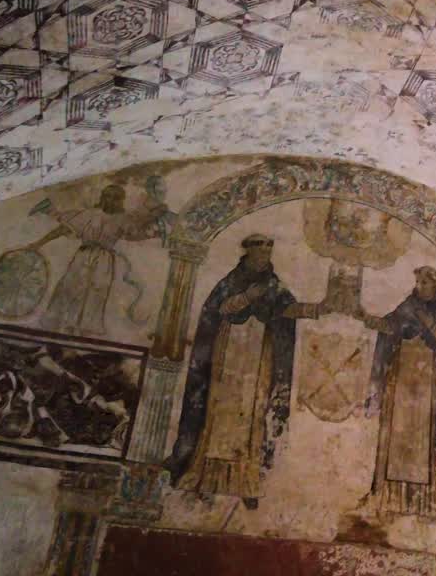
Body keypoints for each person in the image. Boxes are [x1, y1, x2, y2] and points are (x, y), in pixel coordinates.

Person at [166, 234, 325, 508]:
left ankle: (245, 481)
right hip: (229, 352)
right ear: (248, 252)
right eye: (260, 251)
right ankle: (204, 477)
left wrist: (318, 308)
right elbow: (219, 309)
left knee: (254, 412)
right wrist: (246, 296)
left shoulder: (273, 285)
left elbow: (288, 308)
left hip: (259, 356)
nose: (264, 256)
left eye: (268, 252)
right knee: (219, 411)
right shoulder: (231, 281)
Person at [362, 266, 436, 517]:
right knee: (396, 437)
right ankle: (389, 498)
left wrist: (431, 326)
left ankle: (423, 503)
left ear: (435, 286)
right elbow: (390, 327)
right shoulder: (406, 307)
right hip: (401, 385)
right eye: (417, 282)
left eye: (424, 283)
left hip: (428, 388)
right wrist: (376, 323)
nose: (419, 287)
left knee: (424, 442)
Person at [29, 183, 167, 336]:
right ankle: (60, 322)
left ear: (120, 201)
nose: (111, 201)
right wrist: (38, 243)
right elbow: (63, 229)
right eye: (108, 196)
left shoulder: (122, 219)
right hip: (84, 254)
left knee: (97, 290)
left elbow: (133, 234)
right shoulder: (89, 214)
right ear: (102, 198)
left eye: (115, 198)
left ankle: (85, 328)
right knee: (70, 285)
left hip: (104, 260)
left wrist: (153, 235)